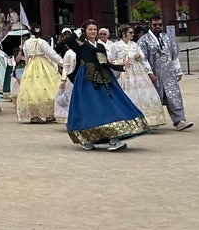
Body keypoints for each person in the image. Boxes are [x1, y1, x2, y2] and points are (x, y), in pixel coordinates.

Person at [64, 21, 149, 152]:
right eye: (90, 29)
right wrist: (78, 31)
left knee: (109, 104)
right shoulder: (80, 45)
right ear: (85, 31)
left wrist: (118, 66)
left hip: (104, 77)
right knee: (88, 106)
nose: (93, 31)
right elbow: (66, 42)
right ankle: (87, 137)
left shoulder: (100, 46)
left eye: (95, 29)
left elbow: (105, 62)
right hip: (87, 79)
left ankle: (113, 137)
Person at [138, 17, 193, 131]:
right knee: (153, 98)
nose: (157, 27)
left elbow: (174, 55)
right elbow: (143, 58)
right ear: (150, 25)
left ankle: (179, 121)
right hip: (154, 74)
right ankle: (153, 121)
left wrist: (178, 70)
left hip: (169, 74)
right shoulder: (144, 40)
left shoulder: (168, 38)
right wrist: (149, 72)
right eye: (155, 25)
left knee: (174, 97)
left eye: (160, 24)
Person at [116, 24, 166, 128]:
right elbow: (110, 60)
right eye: (130, 32)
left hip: (138, 72)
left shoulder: (134, 44)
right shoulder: (116, 46)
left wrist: (139, 57)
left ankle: (148, 120)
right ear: (124, 34)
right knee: (129, 94)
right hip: (125, 73)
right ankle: (130, 120)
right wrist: (121, 61)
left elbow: (143, 57)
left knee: (144, 94)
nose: (133, 34)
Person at [15, 28, 63, 124]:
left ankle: (34, 115)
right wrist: (62, 63)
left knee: (32, 90)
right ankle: (49, 114)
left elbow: (26, 56)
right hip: (42, 64)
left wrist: (28, 65)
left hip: (31, 64)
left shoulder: (26, 43)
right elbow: (52, 54)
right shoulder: (41, 42)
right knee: (50, 88)